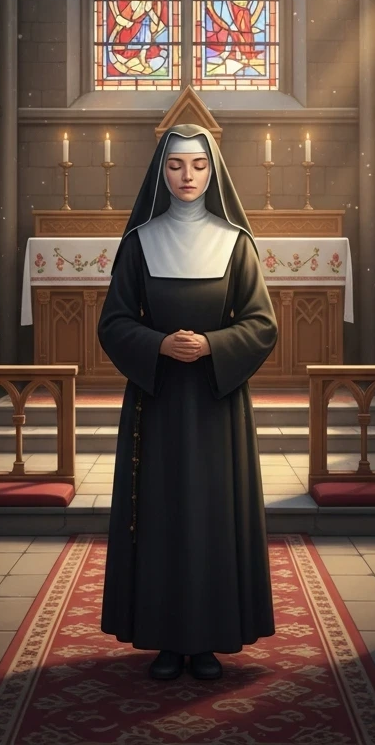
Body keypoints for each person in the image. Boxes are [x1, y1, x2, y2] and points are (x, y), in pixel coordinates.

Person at [98, 125, 277, 681]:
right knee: (160, 515)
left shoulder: (236, 242)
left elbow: (261, 324)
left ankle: (209, 640)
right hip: (157, 404)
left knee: (212, 518)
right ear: (160, 170)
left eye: (198, 165)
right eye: (176, 166)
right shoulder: (139, 243)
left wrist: (212, 345)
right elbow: (114, 323)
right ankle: (165, 641)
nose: (187, 177)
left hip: (215, 404)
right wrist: (157, 344)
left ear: (213, 170)